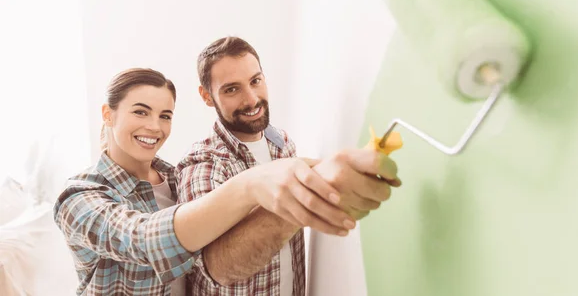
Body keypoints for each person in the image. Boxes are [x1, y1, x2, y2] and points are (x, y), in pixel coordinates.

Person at [53, 68, 397, 296]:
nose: (154, 127)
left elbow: (217, 251)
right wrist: (251, 184)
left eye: (165, 115)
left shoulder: (177, 178)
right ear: (107, 114)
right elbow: (144, 240)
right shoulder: (78, 198)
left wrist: (314, 180)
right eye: (140, 112)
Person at [176, 37, 401, 296]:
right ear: (206, 96)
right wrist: (301, 200)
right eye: (231, 90)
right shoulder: (202, 164)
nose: (251, 99)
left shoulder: (281, 144)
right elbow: (218, 267)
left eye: (255, 81)